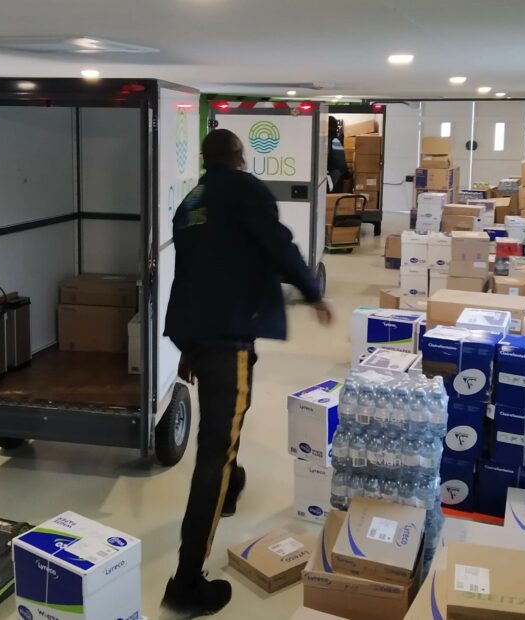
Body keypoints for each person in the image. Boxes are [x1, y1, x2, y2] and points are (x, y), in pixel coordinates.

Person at [162, 128, 333, 617]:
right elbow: (279, 247)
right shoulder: (246, 190)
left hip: (198, 334)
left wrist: (188, 347)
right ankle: (186, 582)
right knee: (215, 449)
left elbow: (189, 272)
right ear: (239, 157)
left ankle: (232, 484)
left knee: (230, 419)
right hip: (226, 337)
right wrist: (314, 293)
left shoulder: (192, 201)